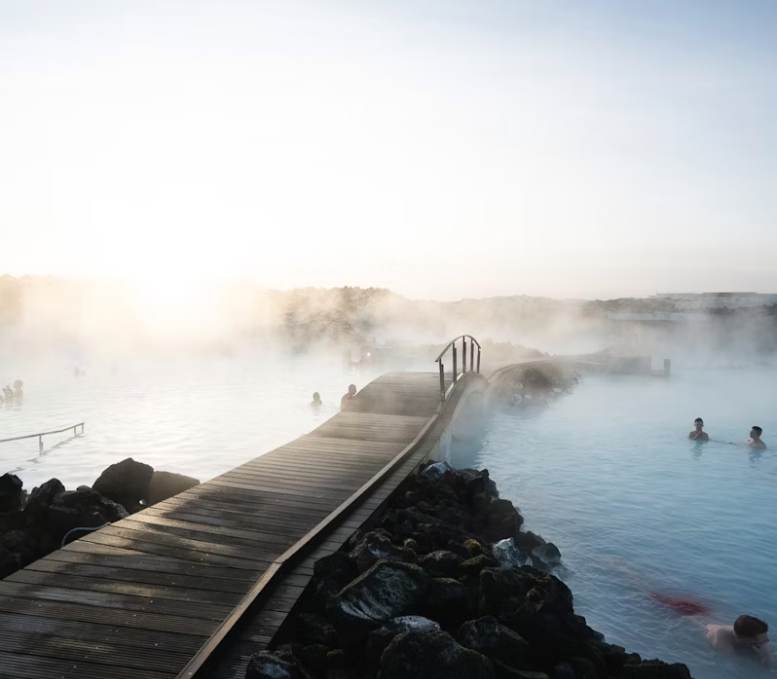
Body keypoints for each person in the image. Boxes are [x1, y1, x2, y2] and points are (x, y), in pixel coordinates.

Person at [706, 615, 772, 668]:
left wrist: (765, 656)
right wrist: (765, 656)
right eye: (761, 639)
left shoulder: (754, 634)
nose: (767, 640)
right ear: (746, 640)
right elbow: (734, 663)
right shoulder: (721, 638)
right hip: (702, 622)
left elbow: (768, 665)